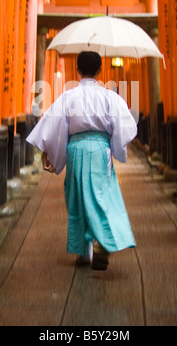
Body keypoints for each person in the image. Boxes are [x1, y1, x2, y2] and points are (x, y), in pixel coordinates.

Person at [27, 51, 137, 271]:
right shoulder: (110, 97)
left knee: (77, 197)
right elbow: (125, 126)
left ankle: (84, 252)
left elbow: (54, 127)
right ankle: (102, 241)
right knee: (101, 196)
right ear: (99, 70)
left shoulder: (68, 97)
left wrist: (49, 152)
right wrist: (115, 146)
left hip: (75, 150)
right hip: (100, 150)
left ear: (77, 70)